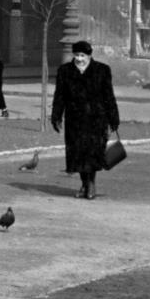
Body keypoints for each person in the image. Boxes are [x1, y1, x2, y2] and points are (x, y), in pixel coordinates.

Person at [50, 40, 120, 201]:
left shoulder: (102, 70)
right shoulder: (65, 71)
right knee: (78, 154)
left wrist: (113, 118)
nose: (79, 59)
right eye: (76, 55)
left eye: (82, 55)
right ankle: (84, 184)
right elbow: (59, 96)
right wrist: (56, 116)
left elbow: (109, 96)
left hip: (96, 119)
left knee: (92, 152)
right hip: (74, 119)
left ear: (89, 55)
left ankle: (91, 184)